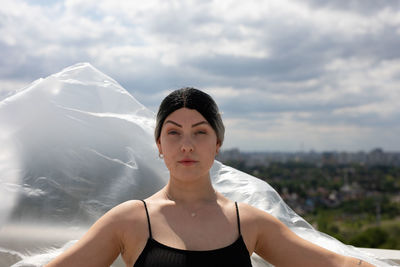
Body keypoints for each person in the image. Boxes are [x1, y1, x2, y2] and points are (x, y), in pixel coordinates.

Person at [46, 87, 374, 267]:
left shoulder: (249, 223)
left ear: (217, 144)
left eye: (200, 132)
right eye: (173, 133)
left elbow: (333, 265)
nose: (186, 145)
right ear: (159, 145)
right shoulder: (129, 220)